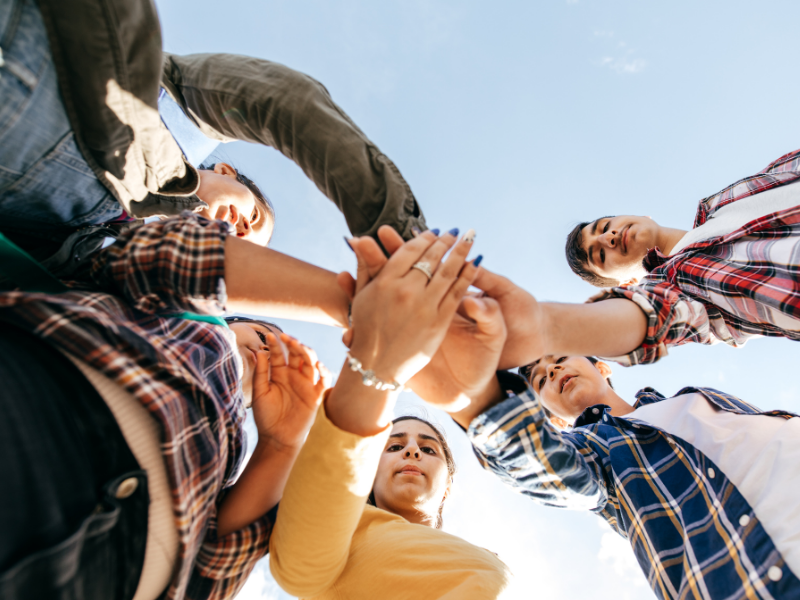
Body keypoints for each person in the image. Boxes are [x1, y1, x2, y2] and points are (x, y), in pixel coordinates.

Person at [345, 225, 800, 599]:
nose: (553, 371)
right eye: (540, 380)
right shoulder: (601, 459)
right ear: (550, 412)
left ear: (600, 363)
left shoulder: (693, 397)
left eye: (560, 358)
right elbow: (548, 468)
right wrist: (473, 399)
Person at [0, 213, 351, 599]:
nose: (271, 350)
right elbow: (158, 255)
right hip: (40, 407)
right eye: (265, 333)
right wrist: (352, 308)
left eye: (286, 355)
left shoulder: (232, 457)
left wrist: (282, 443)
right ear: (230, 318)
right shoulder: (194, 318)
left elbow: (215, 571)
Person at [1, 0, 426, 274]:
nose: (235, 232)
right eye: (250, 219)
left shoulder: (116, 258)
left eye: (236, 246)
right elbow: (282, 101)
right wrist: (401, 248)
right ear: (228, 171)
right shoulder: (189, 114)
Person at [269, 229, 511, 600]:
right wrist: (378, 362)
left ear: (448, 485)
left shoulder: (482, 556)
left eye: (429, 449)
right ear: (367, 471)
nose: (412, 451)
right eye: (393, 446)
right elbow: (299, 569)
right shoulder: (348, 533)